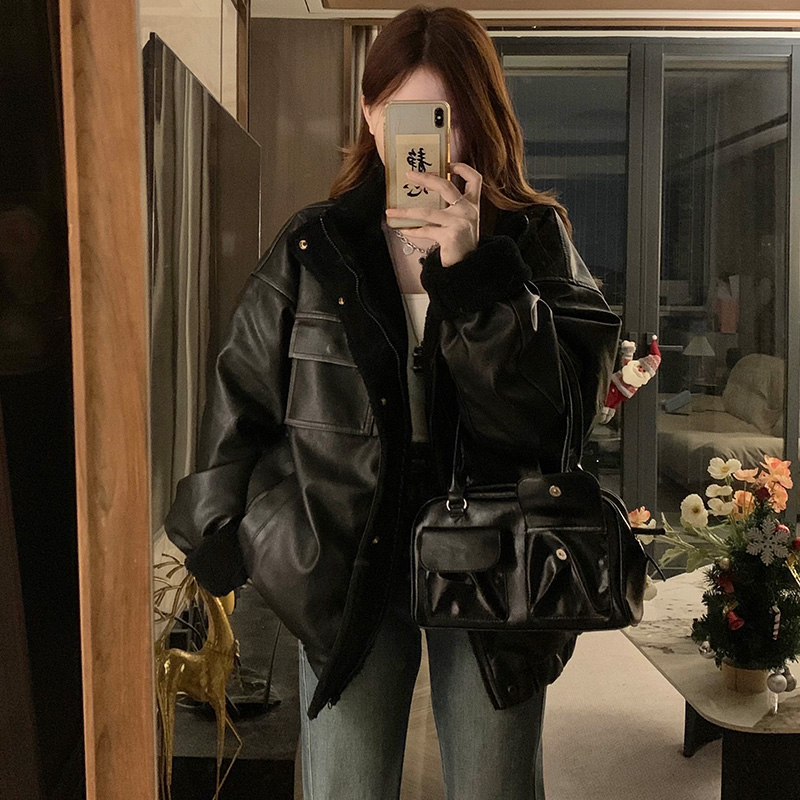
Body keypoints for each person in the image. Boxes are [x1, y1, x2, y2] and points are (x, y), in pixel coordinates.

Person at [165, 6, 621, 799]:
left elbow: (560, 420)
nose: (427, 141)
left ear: (480, 121)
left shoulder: (534, 241)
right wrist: (231, 534)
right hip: (345, 553)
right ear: (370, 114)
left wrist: (474, 276)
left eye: (449, 116)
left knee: (495, 786)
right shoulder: (316, 245)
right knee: (344, 785)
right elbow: (241, 393)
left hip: (494, 556)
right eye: (406, 113)